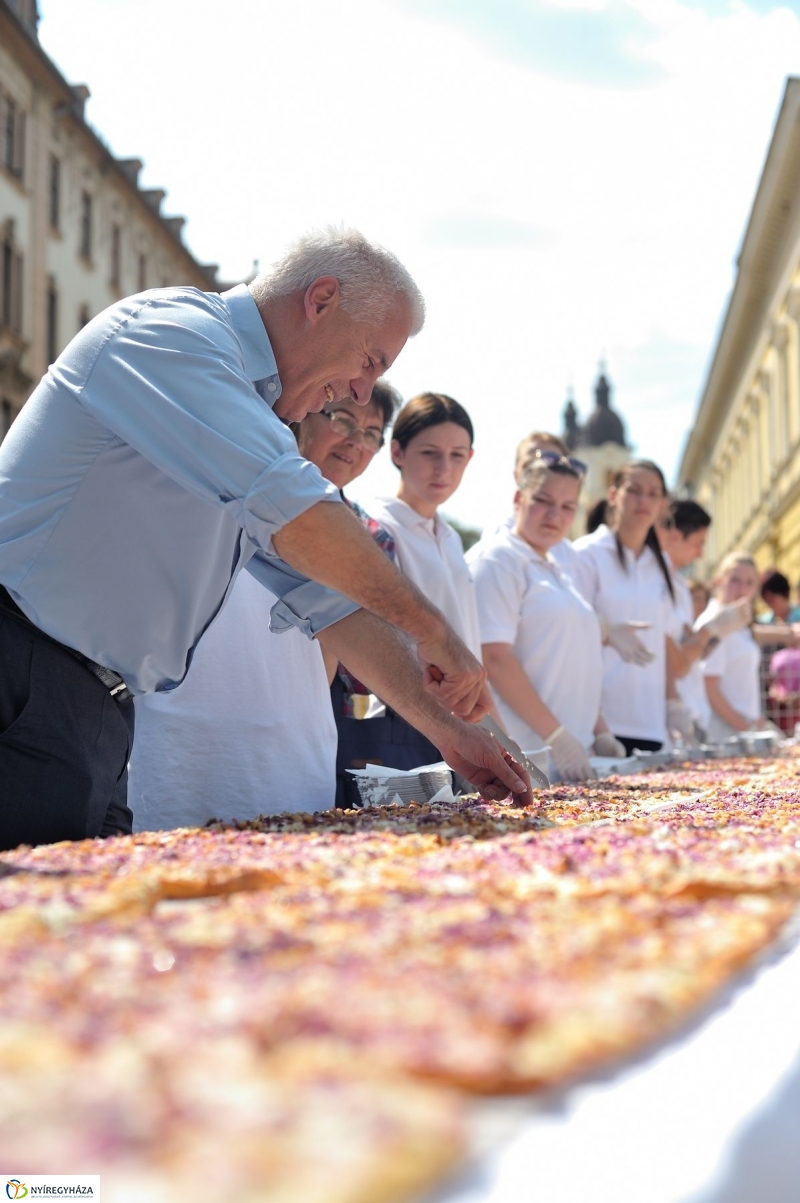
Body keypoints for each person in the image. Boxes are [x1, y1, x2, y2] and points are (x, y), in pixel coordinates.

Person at [0, 227, 530, 850]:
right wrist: (432, 631)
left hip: (91, 702)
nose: (363, 391)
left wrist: (451, 734)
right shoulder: (175, 338)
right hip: (27, 668)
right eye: (371, 361)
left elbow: (332, 605)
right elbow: (301, 521)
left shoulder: (254, 413)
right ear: (321, 298)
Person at [128, 382, 400, 829]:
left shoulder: (357, 532)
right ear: (304, 412)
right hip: (180, 753)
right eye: (343, 419)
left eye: (370, 432)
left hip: (291, 756)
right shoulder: (206, 480)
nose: (354, 440)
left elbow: (332, 661)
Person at [468, 456, 625, 782]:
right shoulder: (498, 558)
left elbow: (569, 660)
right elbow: (493, 658)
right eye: (543, 501)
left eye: (568, 506)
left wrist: (599, 731)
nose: (555, 516)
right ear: (518, 499)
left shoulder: (556, 568)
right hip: (524, 758)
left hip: (568, 757)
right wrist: (555, 736)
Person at [571, 460, 677, 756]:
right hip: (600, 727)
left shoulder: (662, 564)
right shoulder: (585, 554)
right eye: (635, 491)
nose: (644, 501)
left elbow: (663, 641)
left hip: (652, 724)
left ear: (662, 504)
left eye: (653, 493)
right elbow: (574, 642)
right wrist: (597, 725)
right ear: (614, 495)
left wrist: (673, 702)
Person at [656, 499, 714, 744]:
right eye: (698, 543)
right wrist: (703, 637)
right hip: (664, 715)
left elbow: (689, 651)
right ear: (676, 536)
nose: (700, 554)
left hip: (690, 711)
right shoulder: (657, 581)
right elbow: (678, 663)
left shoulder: (679, 584)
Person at [701, 552, 762, 741]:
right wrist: (746, 729)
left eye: (749, 582)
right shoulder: (717, 620)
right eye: (735, 580)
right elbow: (708, 687)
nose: (742, 589)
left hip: (741, 728)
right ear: (720, 581)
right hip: (724, 733)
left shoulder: (737, 622)